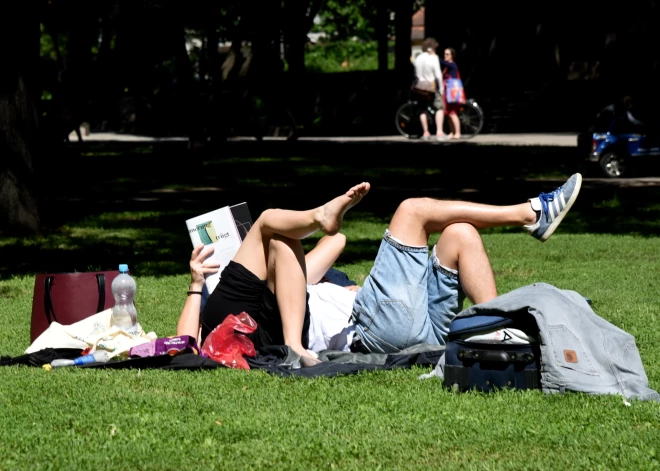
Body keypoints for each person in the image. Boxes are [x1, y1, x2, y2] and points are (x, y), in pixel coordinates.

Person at [179, 174, 582, 359]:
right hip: (374, 327)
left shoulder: (294, 287)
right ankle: (528, 213)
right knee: (411, 211)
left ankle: (494, 336)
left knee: (460, 234)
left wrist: (330, 243)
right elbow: (184, 344)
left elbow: (333, 243)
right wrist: (196, 284)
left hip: (414, 329)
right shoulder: (240, 302)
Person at [177, 182, 371, 365]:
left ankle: (321, 216)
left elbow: (337, 239)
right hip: (228, 327)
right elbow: (185, 343)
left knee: (281, 239)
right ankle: (320, 216)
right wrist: (196, 284)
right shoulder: (312, 274)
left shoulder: (305, 271)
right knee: (267, 221)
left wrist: (335, 288)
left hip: (266, 309)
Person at [412, 37, 446, 140]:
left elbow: (416, 74)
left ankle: (425, 133)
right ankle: (439, 132)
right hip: (431, 86)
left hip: (419, 86)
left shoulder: (417, 58)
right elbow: (438, 75)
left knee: (422, 109)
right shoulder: (433, 57)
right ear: (432, 47)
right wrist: (441, 88)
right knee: (439, 108)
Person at [439, 47, 463, 139]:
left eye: (447, 54)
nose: (445, 56)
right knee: (449, 114)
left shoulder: (452, 65)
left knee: (453, 113)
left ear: (452, 56)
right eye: (444, 54)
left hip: (452, 93)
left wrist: (434, 56)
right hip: (447, 93)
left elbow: (442, 62)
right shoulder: (448, 66)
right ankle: (452, 132)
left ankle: (458, 133)